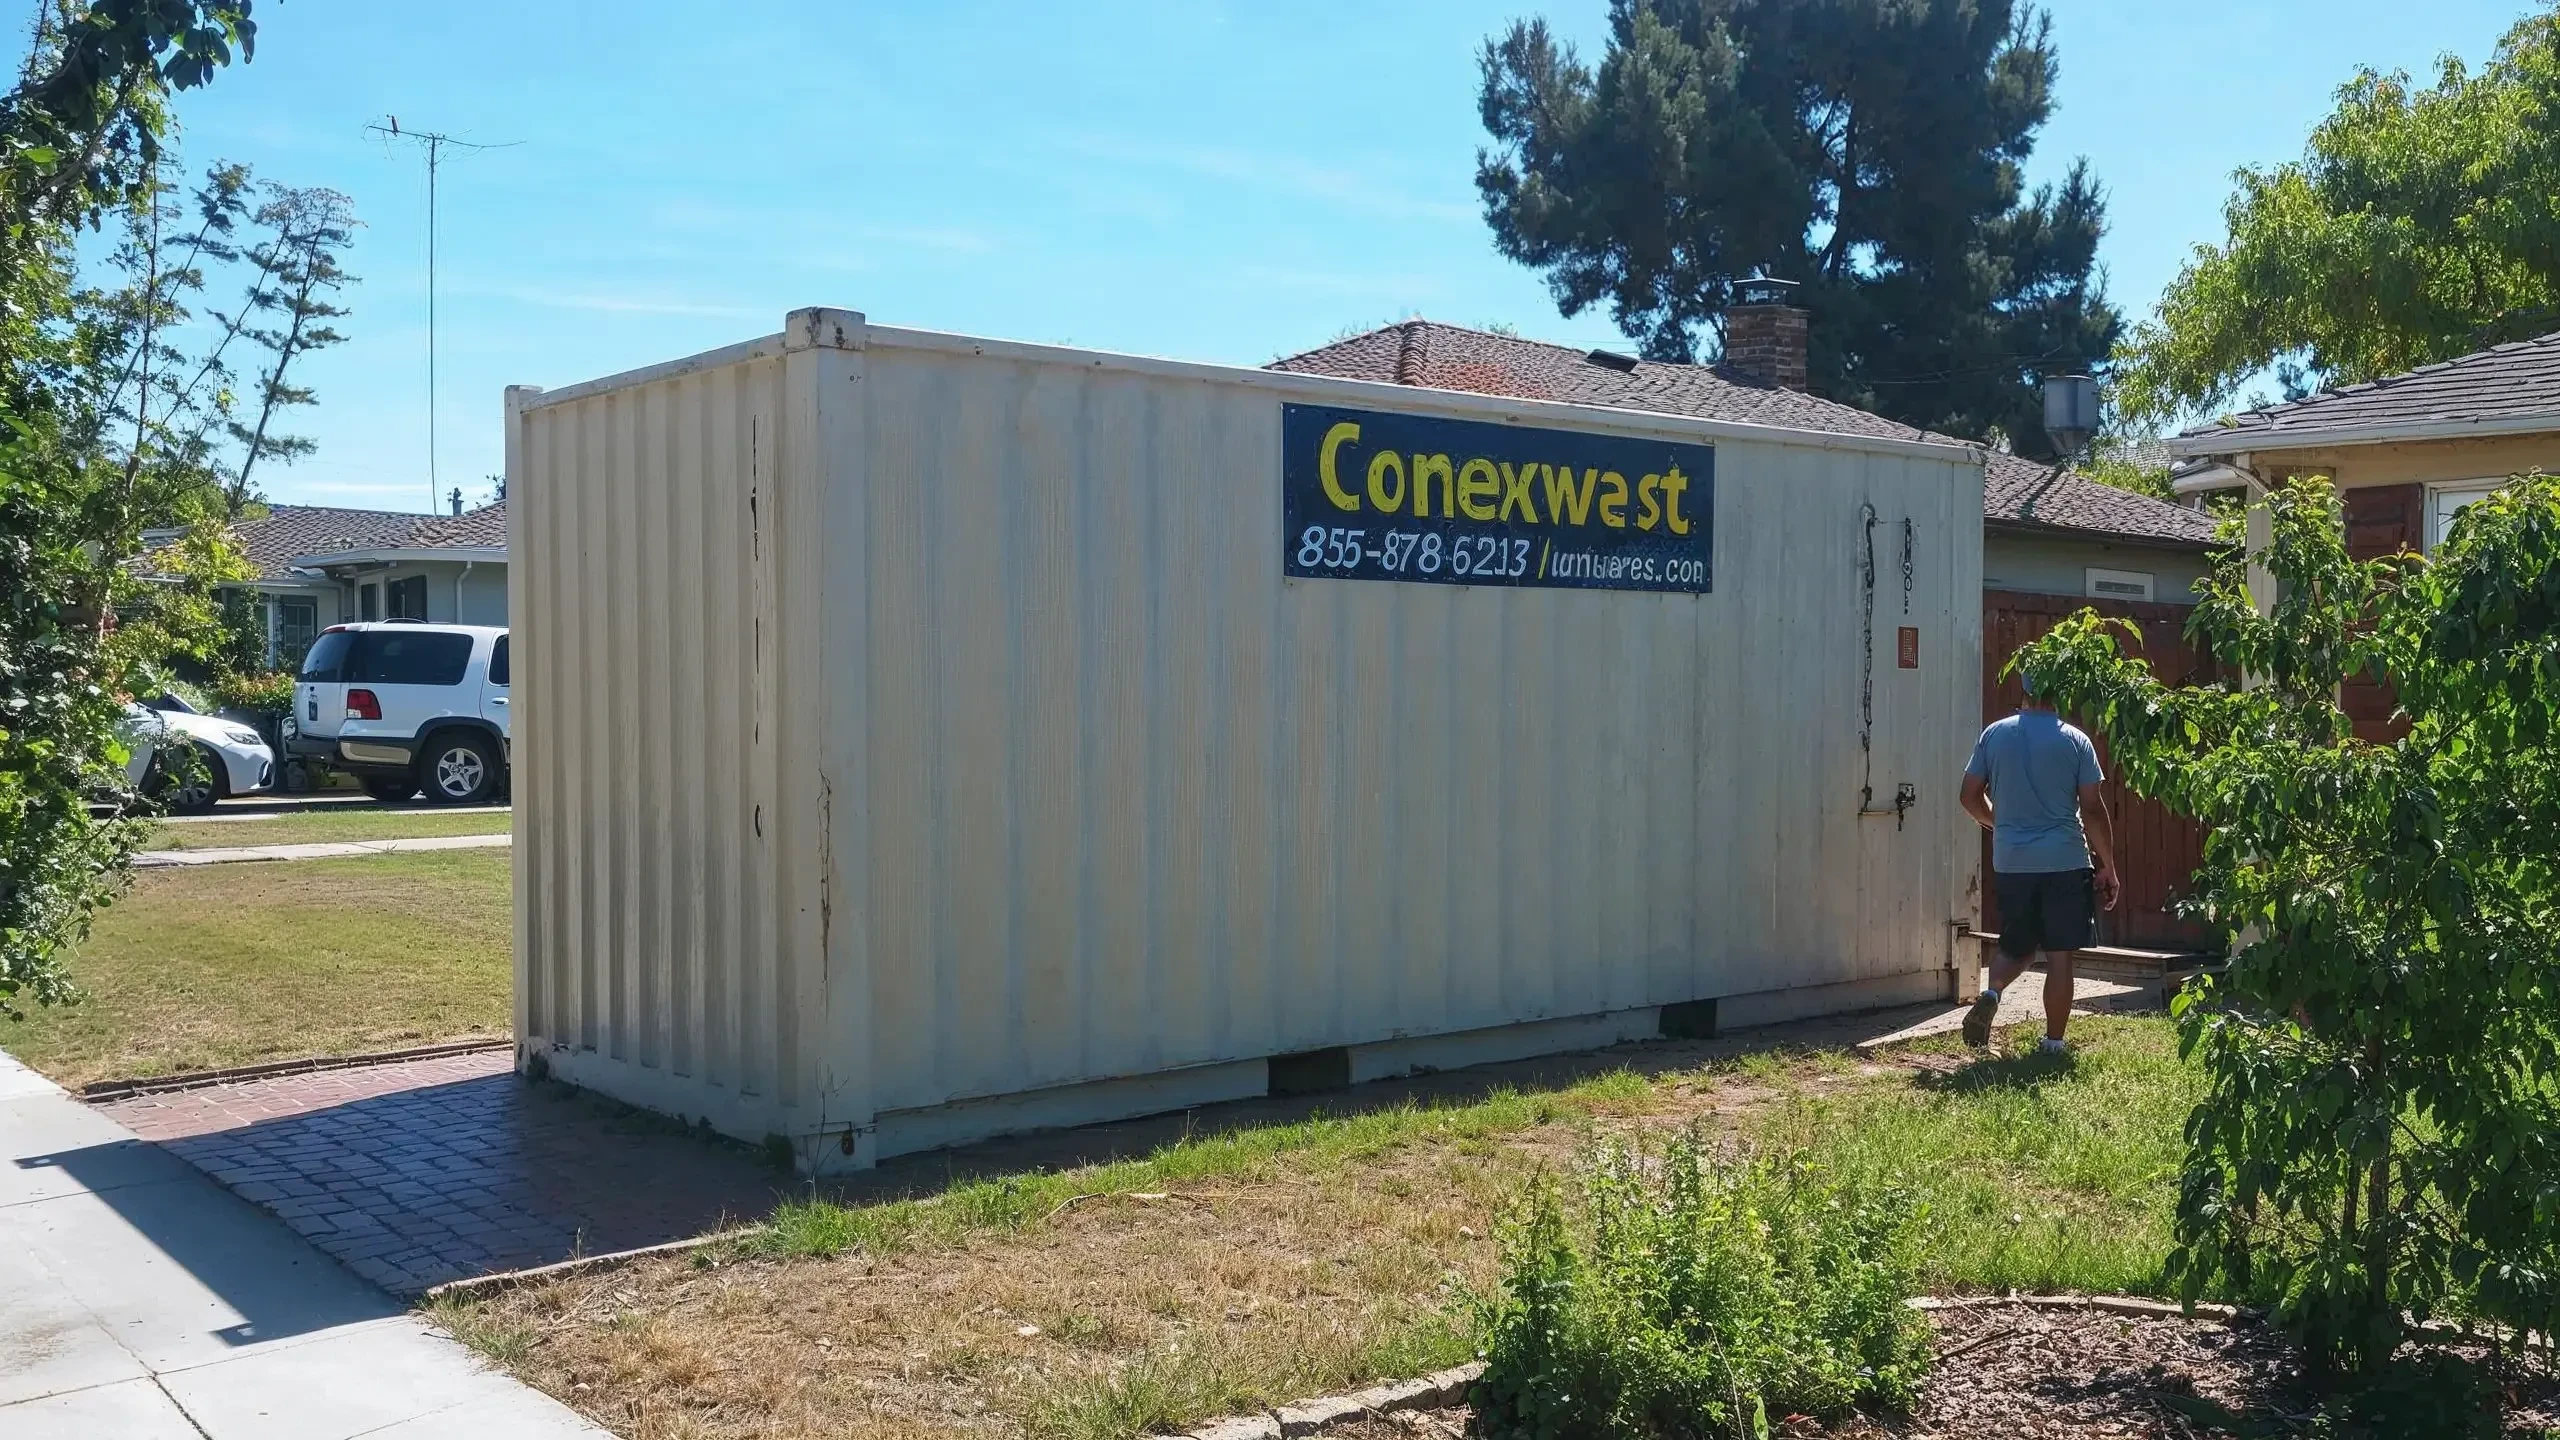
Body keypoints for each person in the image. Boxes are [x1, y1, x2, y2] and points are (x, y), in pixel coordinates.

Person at [1958, 671, 2120, 1054]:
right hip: (2064, 860)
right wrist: (2109, 865)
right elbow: (2093, 810)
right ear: (2060, 692)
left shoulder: (1994, 735)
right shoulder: (2075, 740)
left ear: (2025, 691)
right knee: (2060, 955)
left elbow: (1968, 796)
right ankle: (2053, 1043)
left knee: (2018, 946)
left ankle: (1993, 992)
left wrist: (1999, 823)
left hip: (2013, 861)